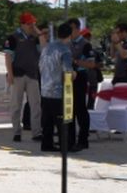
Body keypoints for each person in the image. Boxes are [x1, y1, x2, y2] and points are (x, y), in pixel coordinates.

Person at [5, 12, 43, 143]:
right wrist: (9, 74)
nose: (32, 25)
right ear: (22, 24)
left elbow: (44, 48)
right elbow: (8, 57)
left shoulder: (35, 37)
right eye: (29, 23)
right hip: (17, 75)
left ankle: (37, 132)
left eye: (33, 23)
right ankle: (16, 132)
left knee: (36, 105)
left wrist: (37, 32)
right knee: (16, 105)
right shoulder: (13, 37)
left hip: (32, 74)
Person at [39, 22, 76, 152]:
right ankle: (66, 145)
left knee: (47, 121)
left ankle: (47, 144)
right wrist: (74, 74)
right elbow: (67, 72)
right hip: (58, 91)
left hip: (44, 89)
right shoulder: (65, 50)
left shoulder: (47, 48)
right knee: (63, 121)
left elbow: (41, 66)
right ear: (70, 35)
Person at [68, 18, 96, 151]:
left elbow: (91, 64)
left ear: (78, 29)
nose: (70, 32)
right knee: (69, 110)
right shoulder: (66, 42)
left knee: (80, 109)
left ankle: (83, 140)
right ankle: (70, 140)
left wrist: (75, 62)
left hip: (80, 77)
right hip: (67, 78)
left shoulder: (85, 44)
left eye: (72, 29)